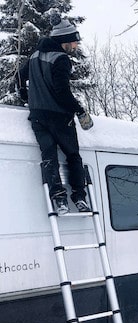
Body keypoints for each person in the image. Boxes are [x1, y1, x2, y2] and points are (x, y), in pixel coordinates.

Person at [16, 11, 93, 215]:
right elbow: (62, 92)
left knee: (49, 156)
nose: (75, 46)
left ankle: (59, 199)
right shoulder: (61, 59)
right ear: (65, 41)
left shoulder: (34, 56)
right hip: (59, 117)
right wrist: (79, 110)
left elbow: (19, 77)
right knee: (73, 156)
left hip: (38, 117)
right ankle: (79, 196)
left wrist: (25, 94)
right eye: (74, 42)